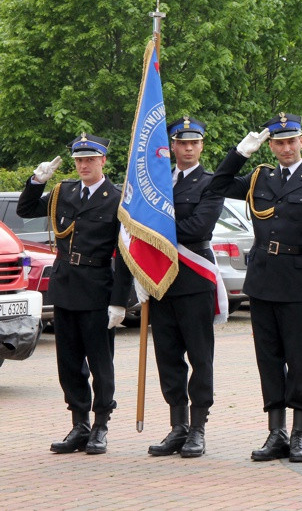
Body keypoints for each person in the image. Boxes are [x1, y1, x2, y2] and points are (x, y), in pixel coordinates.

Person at [209, 112, 302, 462]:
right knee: (268, 359)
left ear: (301, 142)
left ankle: (299, 433)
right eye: (277, 142)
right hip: (264, 280)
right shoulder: (259, 178)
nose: (284, 147)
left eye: (289, 141)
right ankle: (275, 431)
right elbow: (216, 186)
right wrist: (240, 154)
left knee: (299, 361)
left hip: (300, 282)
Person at [17, 133, 132, 455]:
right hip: (66, 286)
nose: (83, 165)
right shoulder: (62, 192)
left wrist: (119, 301)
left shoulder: (117, 198)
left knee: (100, 363)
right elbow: (26, 209)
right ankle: (79, 424)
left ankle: (100, 426)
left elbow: (124, 255)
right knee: (68, 363)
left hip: (97, 288)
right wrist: (37, 181)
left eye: (90, 160)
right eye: (79, 160)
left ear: (103, 161)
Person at [146, 117, 224, 458]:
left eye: (194, 142)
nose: (188, 148)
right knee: (168, 357)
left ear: (201, 145)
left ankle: (198, 428)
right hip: (161, 280)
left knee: (199, 356)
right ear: (173, 146)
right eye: (182, 143)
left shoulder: (211, 183)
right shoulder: (158, 181)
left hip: (194, 281)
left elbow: (198, 226)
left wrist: (159, 225)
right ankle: (177, 426)